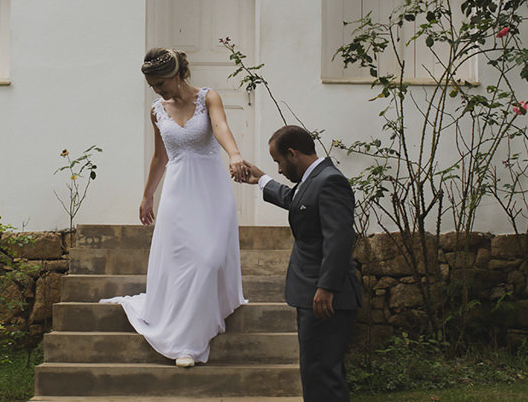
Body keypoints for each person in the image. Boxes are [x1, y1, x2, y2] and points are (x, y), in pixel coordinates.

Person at [101, 47, 248, 368]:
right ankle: (187, 344)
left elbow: (221, 127)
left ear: (176, 75)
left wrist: (235, 154)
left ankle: (203, 320)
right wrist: (147, 195)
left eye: (159, 83)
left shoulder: (209, 98)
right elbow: (160, 156)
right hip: (178, 193)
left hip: (211, 190)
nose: (156, 90)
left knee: (209, 258)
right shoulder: (157, 110)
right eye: (152, 85)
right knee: (181, 261)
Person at [235, 125, 361, 402]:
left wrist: (326, 287)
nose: (279, 169)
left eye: (278, 162)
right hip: (315, 295)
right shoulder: (314, 180)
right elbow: (296, 201)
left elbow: (339, 239)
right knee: (317, 371)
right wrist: (262, 180)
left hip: (327, 298)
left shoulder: (330, 181)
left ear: (292, 154)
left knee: (322, 374)